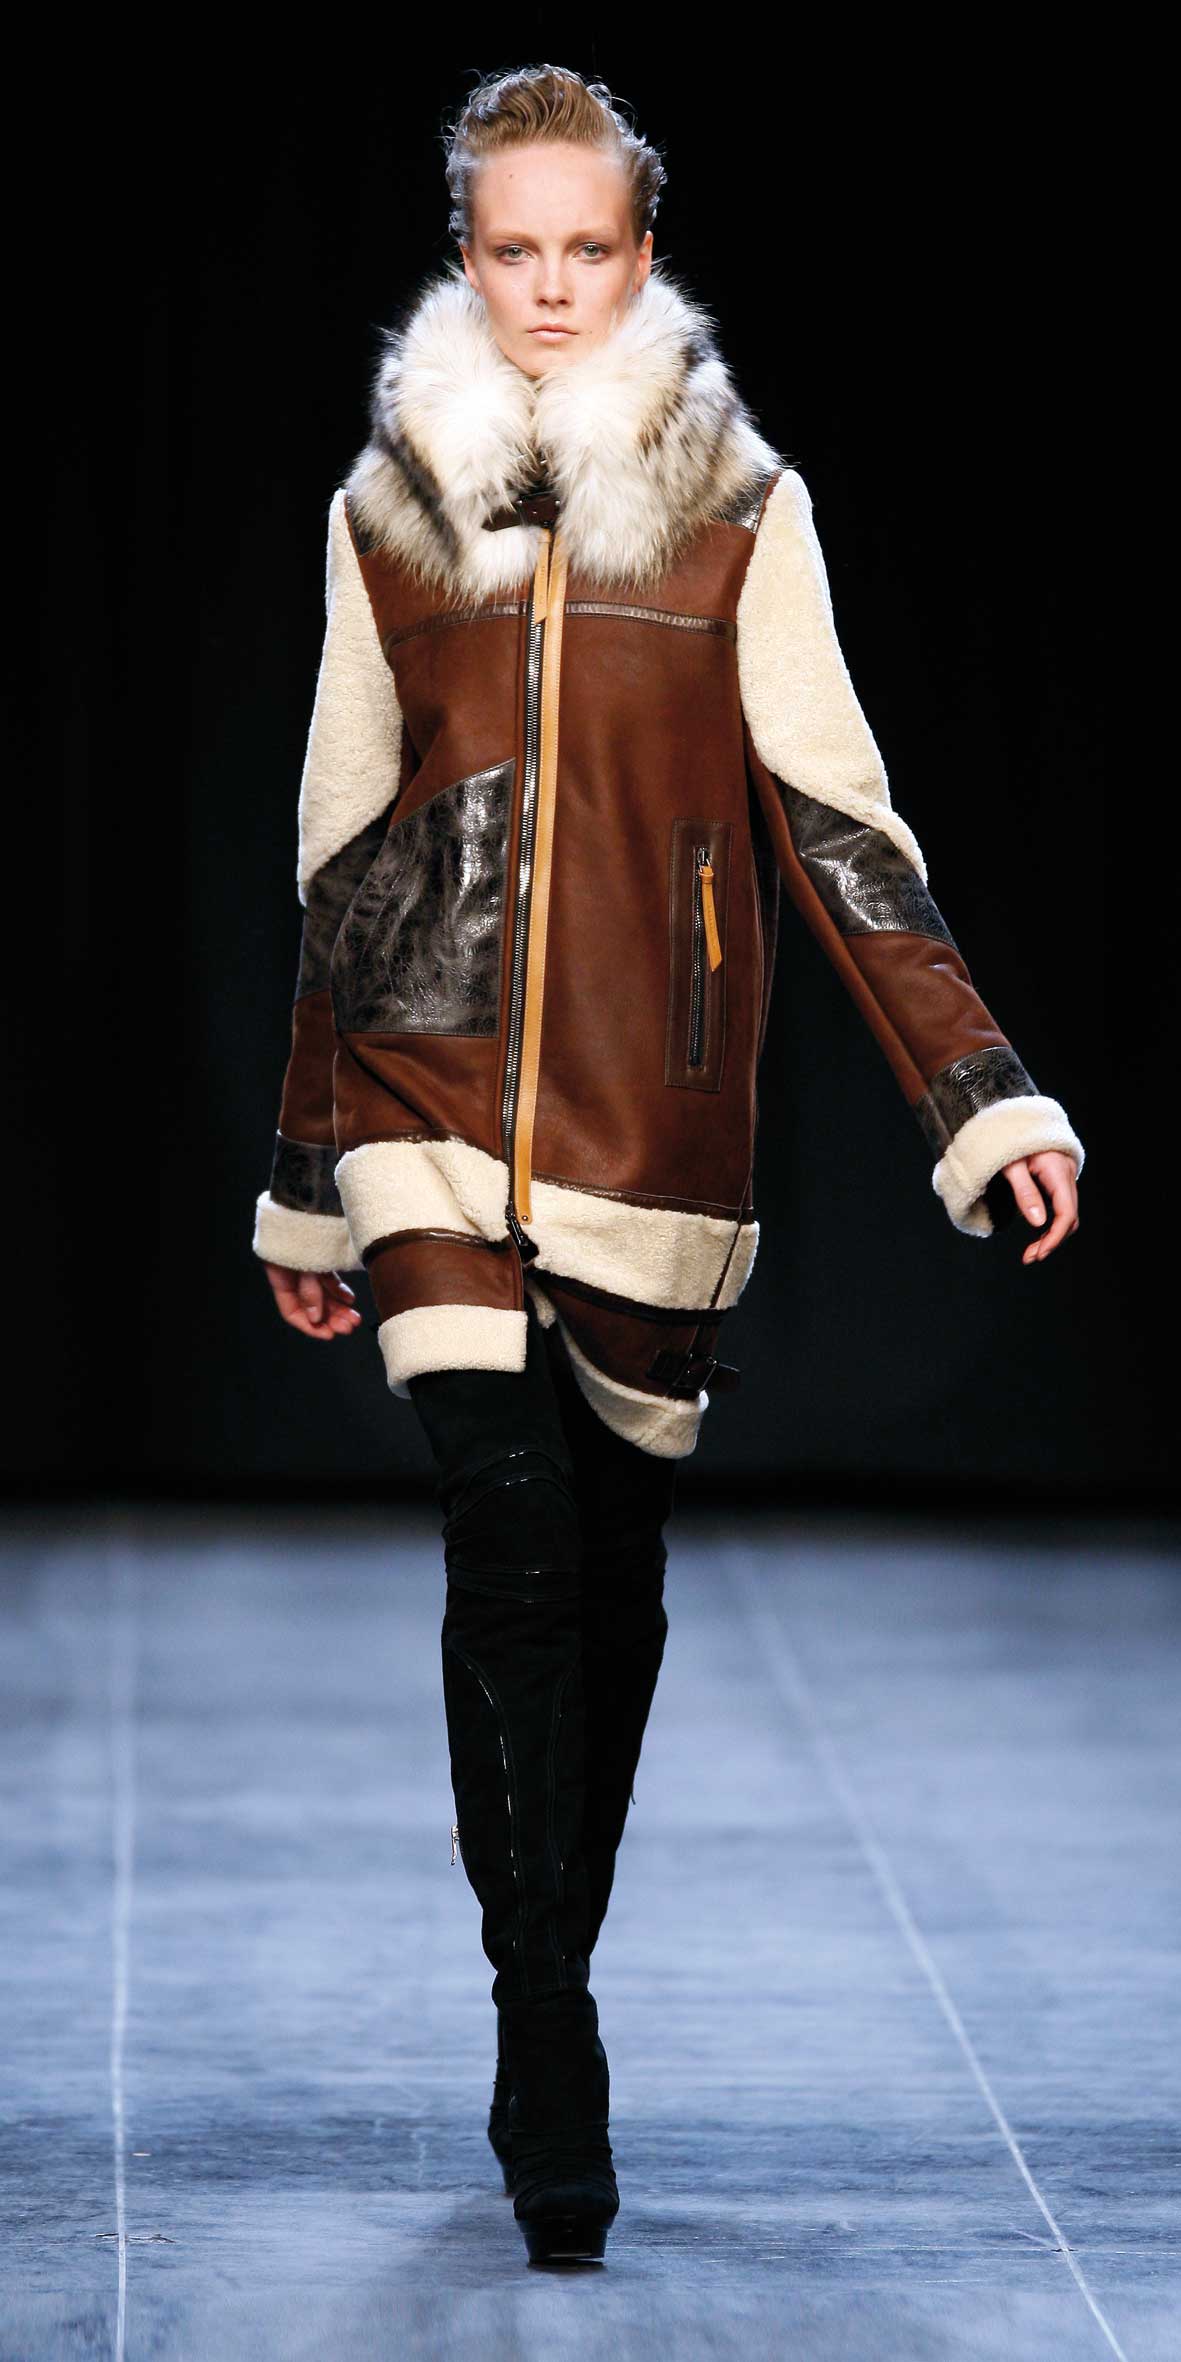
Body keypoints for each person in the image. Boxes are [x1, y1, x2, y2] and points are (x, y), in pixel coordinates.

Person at [251, 65, 1084, 2264]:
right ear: (464, 254)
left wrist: (979, 1091)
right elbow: (341, 851)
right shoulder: (384, 514)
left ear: (640, 254)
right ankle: (543, 2025)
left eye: (586, 249)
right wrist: (305, 1170)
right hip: (421, 1095)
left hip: (652, 1113)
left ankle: (551, 1949)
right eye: (510, 248)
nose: (548, 285)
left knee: (606, 1580)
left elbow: (833, 820)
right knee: (510, 1537)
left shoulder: (737, 510)